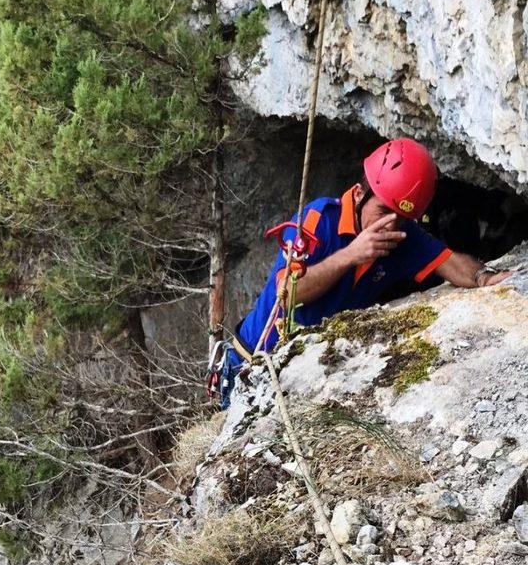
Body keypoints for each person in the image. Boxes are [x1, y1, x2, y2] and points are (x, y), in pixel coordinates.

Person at [218, 138, 512, 409]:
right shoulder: (318, 220)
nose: (391, 225)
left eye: (403, 218)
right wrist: (351, 254)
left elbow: (448, 262)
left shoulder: (402, 237)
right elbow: (289, 292)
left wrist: (483, 278)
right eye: (384, 211)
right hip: (252, 362)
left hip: (306, 367)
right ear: (359, 194)